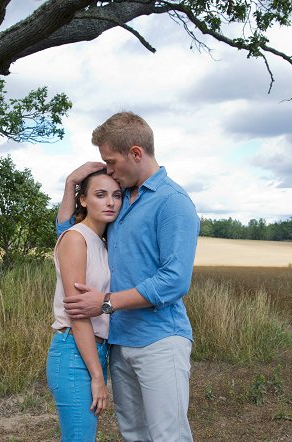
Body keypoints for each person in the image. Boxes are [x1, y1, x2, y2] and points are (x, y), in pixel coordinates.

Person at [57, 111, 200, 442]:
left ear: (136, 153)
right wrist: (69, 185)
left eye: (111, 162)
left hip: (160, 339)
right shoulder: (121, 201)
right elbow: (70, 234)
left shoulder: (173, 203)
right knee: (134, 433)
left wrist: (106, 303)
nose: (108, 170)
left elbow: (175, 279)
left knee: (168, 435)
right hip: (120, 343)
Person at [47, 169, 123, 441]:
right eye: (100, 195)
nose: (110, 202)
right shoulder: (76, 238)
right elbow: (78, 314)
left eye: (116, 195)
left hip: (93, 351)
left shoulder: (100, 243)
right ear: (83, 200)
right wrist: (97, 377)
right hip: (73, 354)